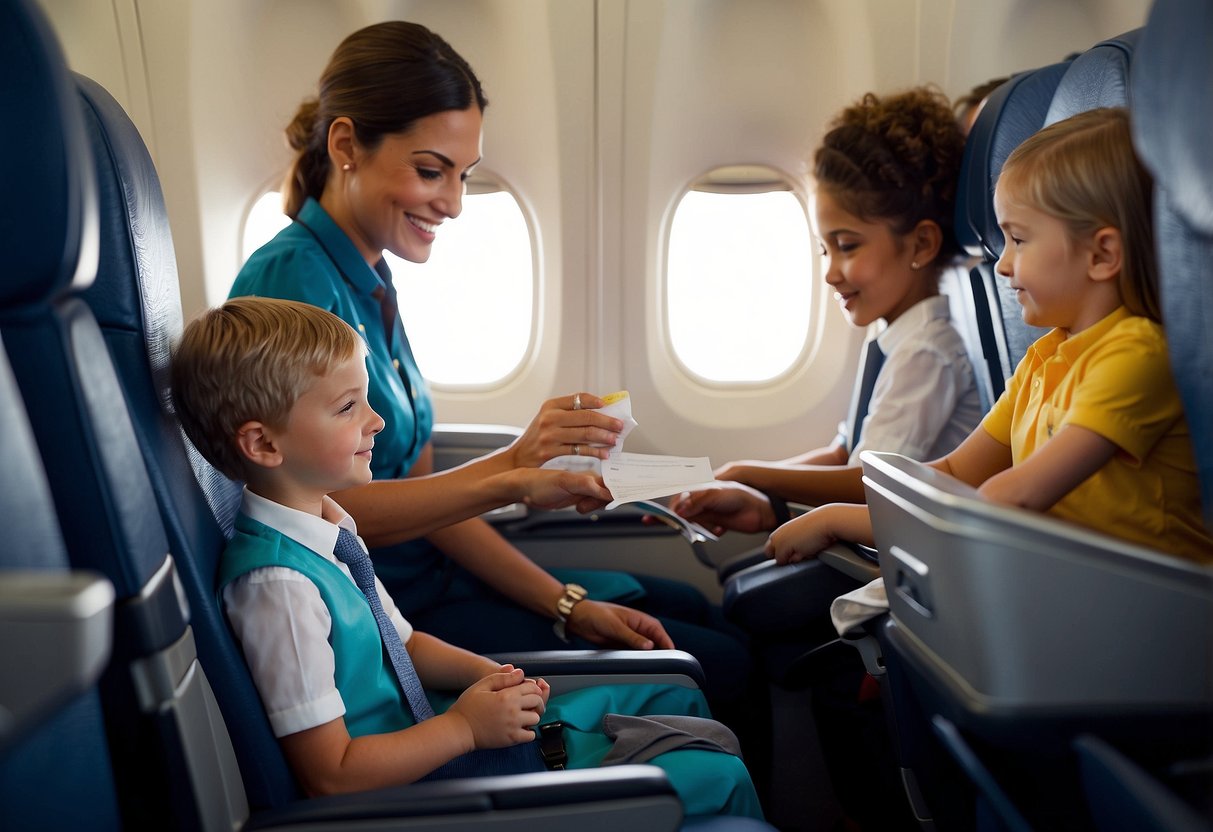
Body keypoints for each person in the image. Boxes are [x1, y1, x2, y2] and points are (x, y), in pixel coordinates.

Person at [228, 20, 753, 721]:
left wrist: (564, 603)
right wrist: (514, 467)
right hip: (379, 611)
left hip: (434, 580)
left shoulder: (371, 279)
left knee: (696, 608)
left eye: (463, 175)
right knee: (720, 668)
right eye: (430, 170)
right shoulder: (294, 283)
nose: (452, 203)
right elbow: (336, 514)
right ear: (347, 146)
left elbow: (424, 495)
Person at [169, 296, 764, 819]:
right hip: (418, 789)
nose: (375, 421)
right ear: (264, 443)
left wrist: (489, 676)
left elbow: (402, 645)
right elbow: (331, 777)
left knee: (680, 697)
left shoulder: (329, 526)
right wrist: (461, 728)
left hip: (434, 735)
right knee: (721, 773)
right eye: (348, 407)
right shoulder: (277, 585)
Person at [766, 106, 1213, 567]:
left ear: (1101, 254)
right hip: (1085, 589)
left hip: (1159, 605)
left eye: (1018, 240)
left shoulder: (1136, 355)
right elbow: (955, 472)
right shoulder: (1045, 357)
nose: (1001, 264)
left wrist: (838, 519)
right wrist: (803, 508)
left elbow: (1009, 500)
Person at [670, 88, 984, 545]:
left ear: (920, 245)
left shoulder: (927, 352)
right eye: (824, 248)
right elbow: (843, 452)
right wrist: (744, 487)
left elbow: (868, 481)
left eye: (848, 246)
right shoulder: (893, 335)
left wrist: (752, 474)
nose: (831, 272)